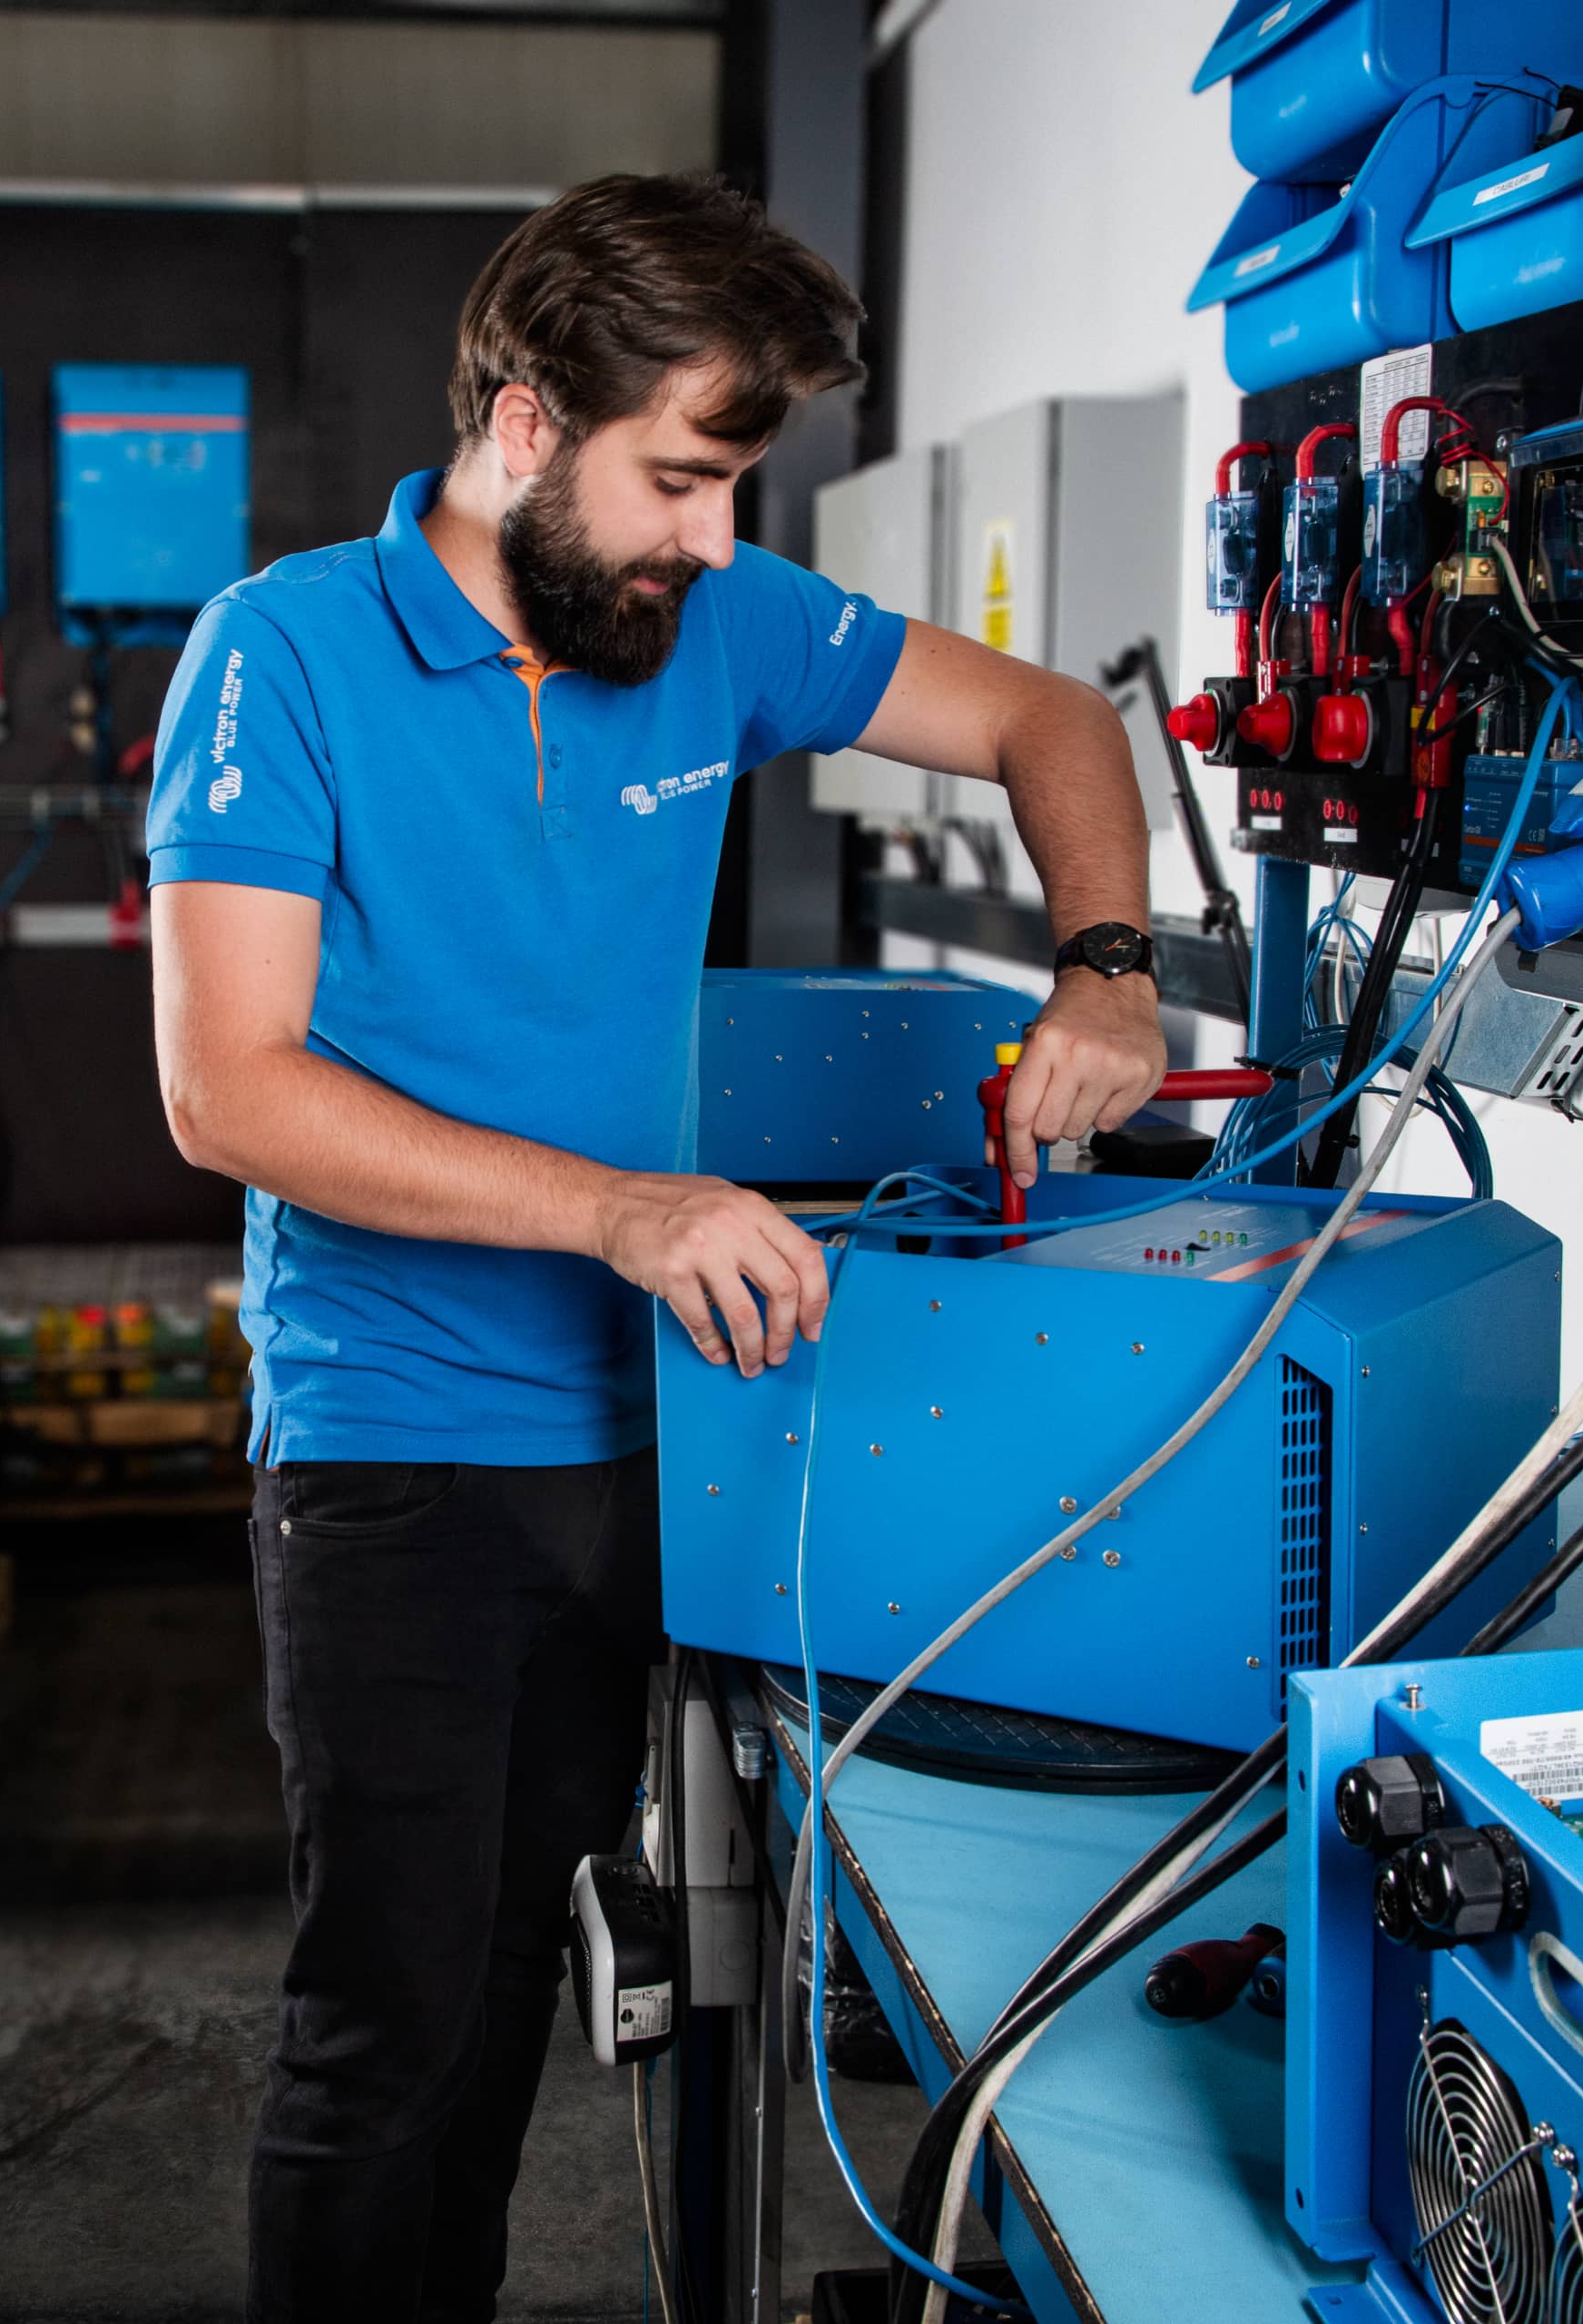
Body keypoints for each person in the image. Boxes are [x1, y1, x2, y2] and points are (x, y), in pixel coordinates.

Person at [145, 172, 1172, 2320]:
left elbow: (1055, 721)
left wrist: (1105, 964)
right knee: (394, 2025)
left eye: (732, 488)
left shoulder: (723, 622)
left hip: (657, 1443)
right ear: (525, 423)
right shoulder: (285, 654)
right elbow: (231, 1087)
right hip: (396, 1456)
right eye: (681, 479)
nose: (710, 538)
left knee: (530, 1986)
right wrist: (622, 1207)